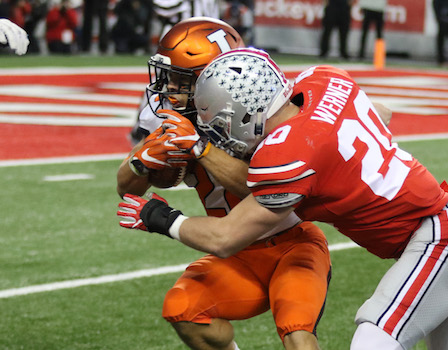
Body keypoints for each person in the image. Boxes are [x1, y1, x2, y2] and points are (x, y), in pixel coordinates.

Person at [117, 48, 448, 350]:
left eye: (219, 121)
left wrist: (161, 218)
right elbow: (381, 111)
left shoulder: (286, 153)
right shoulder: (324, 80)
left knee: (374, 338)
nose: (219, 132)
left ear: (243, 113)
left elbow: (225, 238)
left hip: (441, 238)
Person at [117, 18, 332, 350]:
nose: (169, 87)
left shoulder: (258, 113)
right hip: (238, 255)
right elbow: (127, 190)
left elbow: (265, 188)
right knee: (183, 308)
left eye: (179, 79)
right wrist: (141, 159)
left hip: (292, 244)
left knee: (297, 334)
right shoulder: (177, 121)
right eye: (169, 76)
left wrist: (200, 147)